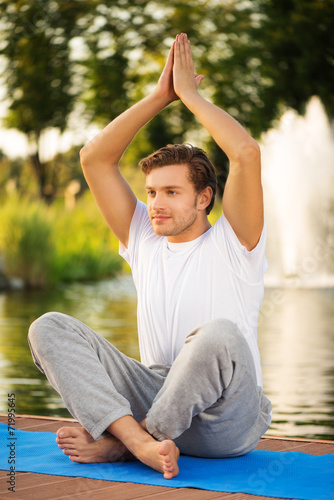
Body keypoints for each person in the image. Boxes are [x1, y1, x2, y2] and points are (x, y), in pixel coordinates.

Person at [28, 33, 272, 479]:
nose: (156, 203)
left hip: (227, 419)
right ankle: (139, 440)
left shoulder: (235, 241)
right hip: (156, 390)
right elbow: (95, 158)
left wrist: (191, 97)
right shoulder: (143, 237)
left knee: (219, 335)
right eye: (152, 192)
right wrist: (159, 97)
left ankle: (121, 445)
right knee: (49, 327)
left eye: (172, 192)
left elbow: (245, 153)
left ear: (204, 198)